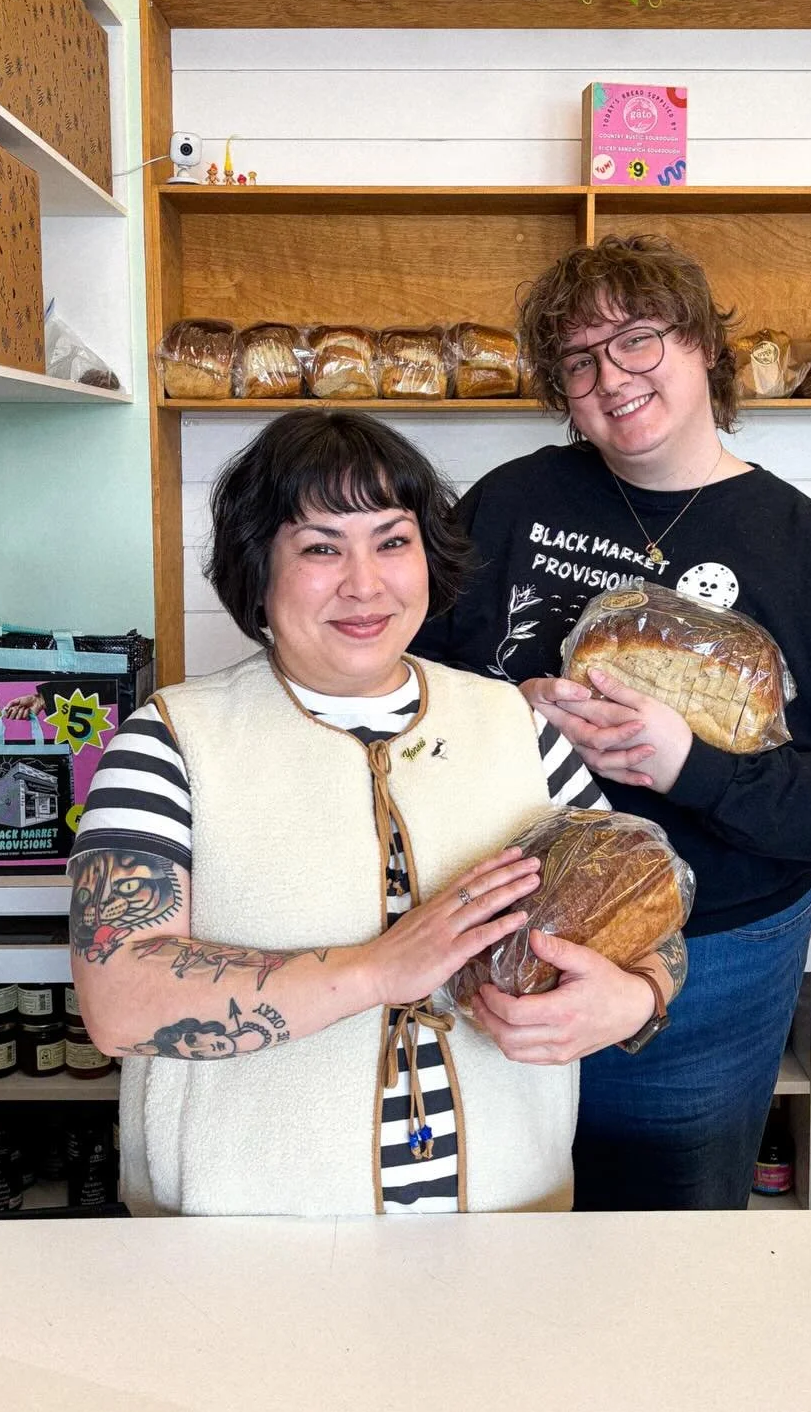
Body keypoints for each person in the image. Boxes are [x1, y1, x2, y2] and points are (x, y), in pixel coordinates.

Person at [414, 235, 811, 1211]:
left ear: (700, 347)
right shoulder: (513, 504)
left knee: (664, 1231)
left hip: (713, 963)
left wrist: (694, 765)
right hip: (495, 927)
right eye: (579, 359)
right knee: (482, 1222)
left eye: (638, 341)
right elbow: (400, 691)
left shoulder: (807, 551)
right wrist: (505, 714)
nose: (611, 377)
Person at [67, 409, 687, 1217]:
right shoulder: (173, 742)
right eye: (321, 547)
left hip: (507, 1229)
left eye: (392, 541)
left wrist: (632, 999)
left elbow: (651, 925)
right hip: (236, 1250)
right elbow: (117, 1001)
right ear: (259, 569)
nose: (365, 583)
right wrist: (377, 970)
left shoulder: (518, 728)